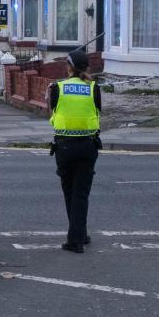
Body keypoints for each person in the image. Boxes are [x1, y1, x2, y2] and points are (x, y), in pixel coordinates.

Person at [48, 50, 102, 254]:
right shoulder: (93, 88)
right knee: (81, 194)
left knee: (70, 192)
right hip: (88, 145)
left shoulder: (57, 87)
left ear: (69, 67)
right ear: (86, 67)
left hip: (65, 146)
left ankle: (75, 240)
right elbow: (97, 111)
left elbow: (53, 112)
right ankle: (80, 233)